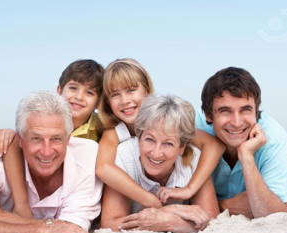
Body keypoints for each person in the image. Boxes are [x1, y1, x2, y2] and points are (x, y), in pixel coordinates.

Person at [0, 91, 103, 233]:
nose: (46, 151)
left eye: (56, 139)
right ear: (20, 139)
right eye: (36, 139)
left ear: (68, 138)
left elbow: (70, 230)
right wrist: (43, 228)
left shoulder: (87, 157)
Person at [96, 58, 224, 210]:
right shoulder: (114, 132)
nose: (124, 100)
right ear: (108, 102)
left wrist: (190, 189)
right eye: (115, 94)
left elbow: (215, 145)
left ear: (147, 91)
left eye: (131, 90)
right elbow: (103, 168)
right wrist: (149, 199)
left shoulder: (167, 124)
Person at [0, 59, 104, 218]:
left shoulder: (100, 129)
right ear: (59, 91)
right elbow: (22, 141)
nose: (79, 97)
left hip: (85, 197)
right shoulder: (43, 119)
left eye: (89, 92)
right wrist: (11, 135)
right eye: (73, 88)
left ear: (98, 103)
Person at [101, 95, 219, 233]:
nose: (156, 153)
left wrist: (172, 223)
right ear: (139, 137)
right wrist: (170, 211)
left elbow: (212, 220)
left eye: (168, 143)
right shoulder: (124, 155)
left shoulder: (194, 159)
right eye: (149, 140)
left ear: (182, 148)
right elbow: (110, 224)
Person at [196, 67, 287, 218]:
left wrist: (246, 155)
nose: (236, 122)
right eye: (225, 111)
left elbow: (276, 213)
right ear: (209, 115)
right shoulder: (195, 127)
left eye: (246, 110)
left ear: (256, 111)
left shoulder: (273, 137)